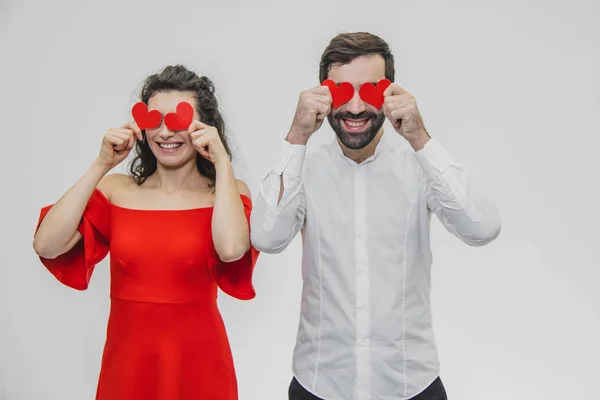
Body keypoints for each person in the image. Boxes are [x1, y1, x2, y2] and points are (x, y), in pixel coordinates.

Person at [250, 32, 501, 400]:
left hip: (411, 385)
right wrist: (297, 136)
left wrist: (421, 139)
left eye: (368, 91)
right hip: (319, 384)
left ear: (390, 94)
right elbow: (267, 239)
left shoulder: (420, 168)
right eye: (340, 92)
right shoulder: (303, 169)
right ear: (322, 94)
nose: (354, 108)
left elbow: (483, 227)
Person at [32, 65, 259, 400]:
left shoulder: (226, 191)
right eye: (154, 120)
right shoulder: (116, 190)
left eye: (179, 119)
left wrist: (223, 163)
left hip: (200, 364)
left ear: (204, 127)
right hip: (127, 365)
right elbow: (47, 244)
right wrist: (101, 165)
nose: (165, 133)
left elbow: (231, 249)